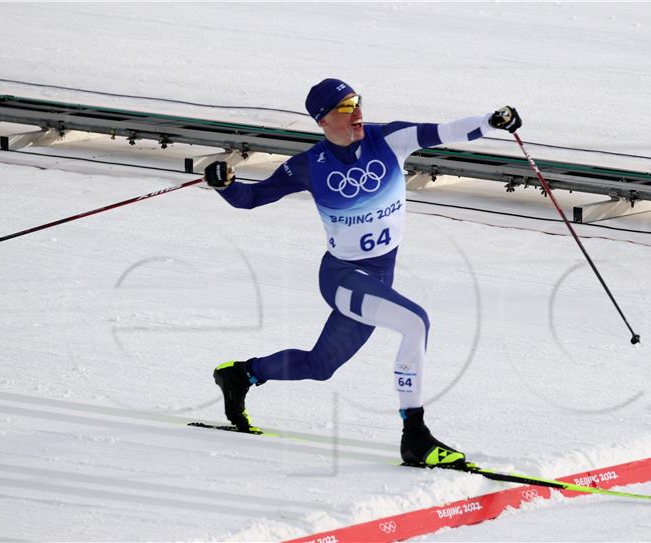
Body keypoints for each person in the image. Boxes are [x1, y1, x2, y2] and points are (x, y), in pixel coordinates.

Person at [204, 78, 521, 468]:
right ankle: (416, 436)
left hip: (376, 280)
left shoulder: (388, 139)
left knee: (319, 366)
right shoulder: (308, 166)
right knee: (415, 323)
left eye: (357, 102)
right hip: (341, 278)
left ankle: (241, 375)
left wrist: (492, 121)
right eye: (344, 107)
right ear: (322, 120)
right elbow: (250, 198)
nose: (357, 113)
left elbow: (446, 131)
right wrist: (225, 183)